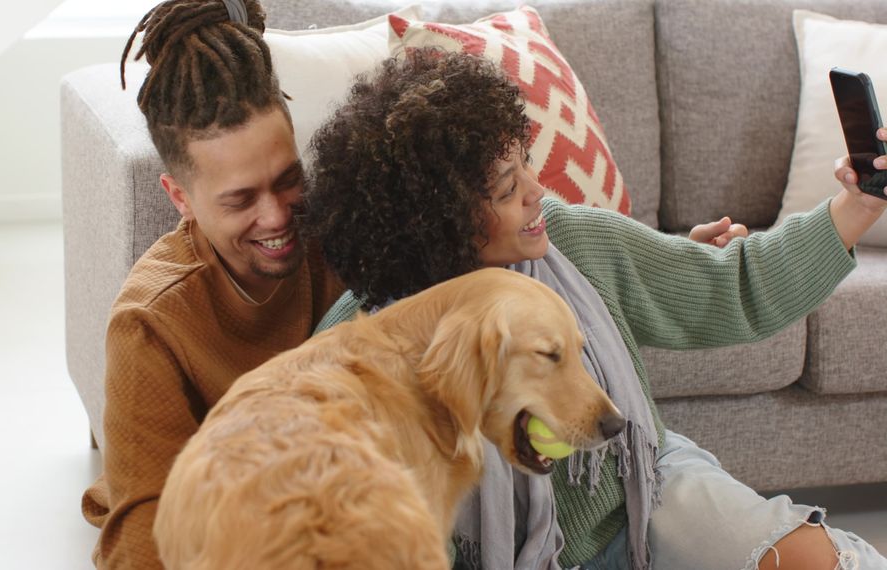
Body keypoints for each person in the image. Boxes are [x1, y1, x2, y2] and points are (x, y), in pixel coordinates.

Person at [305, 50, 887, 570]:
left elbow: (734, 284)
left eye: (526, 163)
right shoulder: (364, 344)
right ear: (434, 225)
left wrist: (858, 204)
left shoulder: (574, 241)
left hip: (643, 495)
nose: (536, 190)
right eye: (507, 189)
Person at [78, 1, 345, 567]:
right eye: (241, 199)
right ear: (180, 198)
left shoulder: (344, 236)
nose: (276, 217)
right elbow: (143, 544)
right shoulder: (151, 323)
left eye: (288, 179)